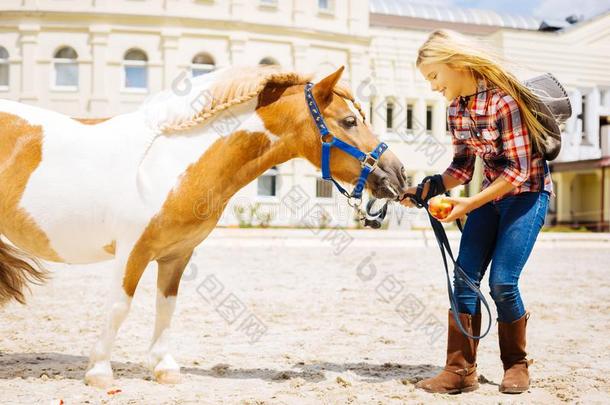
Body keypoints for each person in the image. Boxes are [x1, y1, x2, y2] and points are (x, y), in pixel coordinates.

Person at [401, 29, 553, 394]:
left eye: (434, 76)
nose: (433, 86)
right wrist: (428, 188)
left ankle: (516, 364)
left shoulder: (504, 102)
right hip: (489, 197)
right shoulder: (456, 109)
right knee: (464, 280)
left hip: (527, 195)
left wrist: (468, 204)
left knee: (503, 282)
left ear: (457, 64)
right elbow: (463, 167)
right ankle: (460, 370)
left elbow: (517, 171)